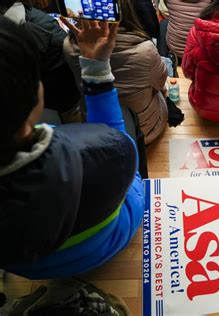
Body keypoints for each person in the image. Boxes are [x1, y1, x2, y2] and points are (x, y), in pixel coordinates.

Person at [0, 16, 144, 279]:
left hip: (29, 268)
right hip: (106, 242)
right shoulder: (100, 150)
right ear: (35, 96)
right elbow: (120, 153)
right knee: (130, 149)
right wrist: (96, 69)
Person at [64, 0, 168, 144]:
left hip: (95, 125)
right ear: (128, 11)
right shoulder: (146, 50)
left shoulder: (68, 46)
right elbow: (161, 82)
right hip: (145, 130)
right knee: (162, 88)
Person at [0, 0, 81, 122]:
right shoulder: (33, 22)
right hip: (60, 94)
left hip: (51, 96)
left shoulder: (18, 26)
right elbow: (70, 47)